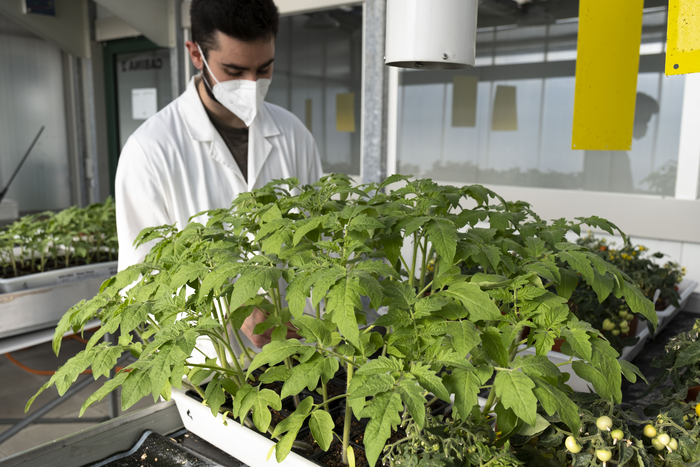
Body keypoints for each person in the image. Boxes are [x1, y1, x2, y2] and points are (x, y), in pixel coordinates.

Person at [115, 0, 322, 349]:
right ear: (196, 54)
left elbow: (321, 238)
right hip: (214, 365)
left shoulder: (293, 134)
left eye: (265, 68)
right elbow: (140, 280)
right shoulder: (150, 149)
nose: (252, 84)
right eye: (234, 71)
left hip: (300, 349)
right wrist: (232, 305)